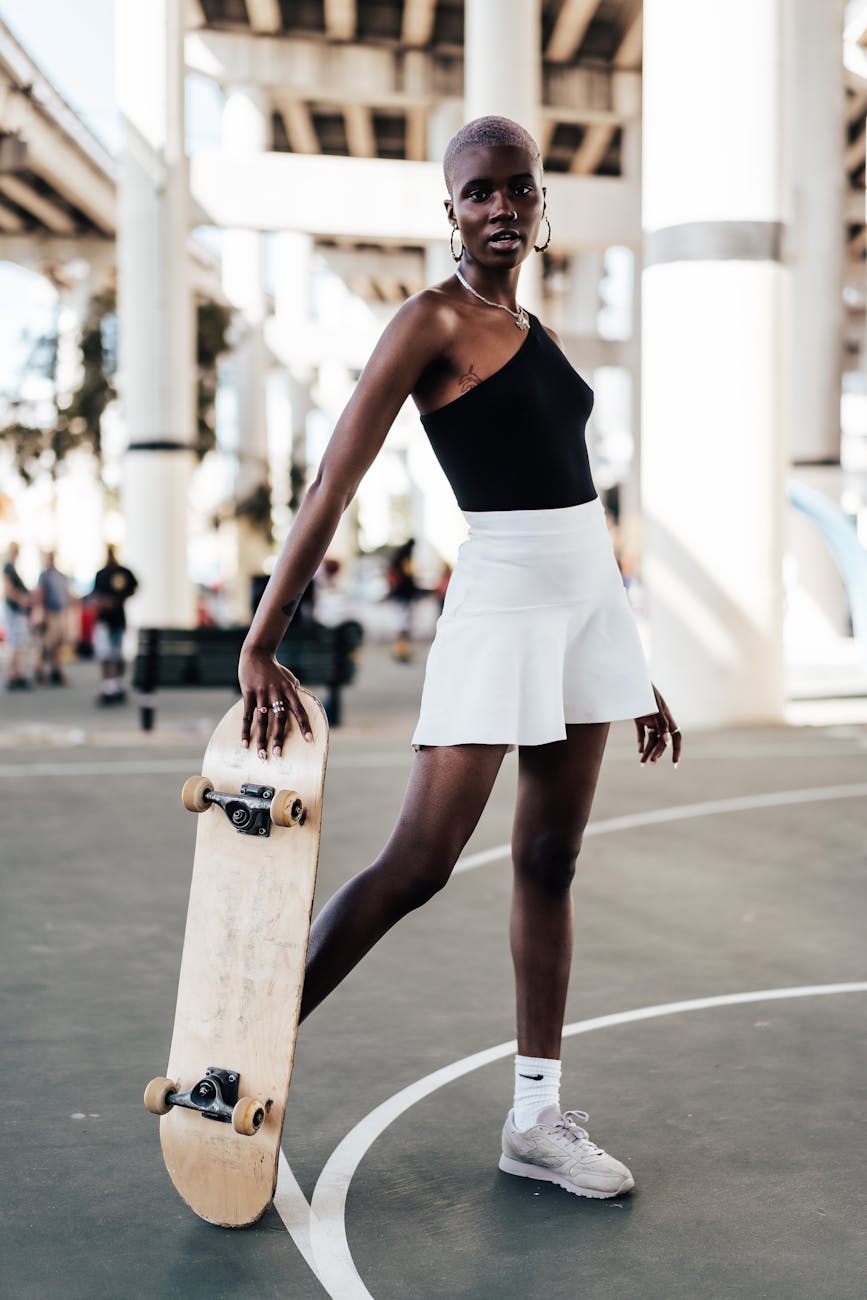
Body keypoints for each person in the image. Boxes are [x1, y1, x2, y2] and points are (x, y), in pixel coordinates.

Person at [238, 117, 681, 1201]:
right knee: (419, 862)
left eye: (518, 190)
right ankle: (239, 1047)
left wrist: (631, 658)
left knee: (550, 863)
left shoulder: (527, 321)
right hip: (500, 604)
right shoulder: (432, 319)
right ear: (450, 209)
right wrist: (264, 632)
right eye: (479, 192)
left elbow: (576, 500)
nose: (500, 208)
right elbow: (332, 481)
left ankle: (535, 1117)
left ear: (540, 204)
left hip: (585, 609)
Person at [91, 546, 138, 706]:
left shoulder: (123, 572)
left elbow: (134, 587)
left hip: (118, 620)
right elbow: (95, 594)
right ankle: (108, 685)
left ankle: (117, 683)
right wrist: (104, 603)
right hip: (104, 620)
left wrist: (120, 600)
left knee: (117, 653)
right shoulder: (101, 574)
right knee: (106, 654)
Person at [35, 551, 71, 685]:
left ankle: (55, 672)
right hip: (49, 613)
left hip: (60, 613)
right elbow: (40, 594)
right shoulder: (44, 576)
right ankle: (39, 672)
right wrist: (42, 614)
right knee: (46, 645)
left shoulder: (62, 576)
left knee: (58, 644)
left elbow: (66, 595)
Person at [3, 542, 33, 690]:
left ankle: (17, 673)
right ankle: (13, 675)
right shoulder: (9, 568)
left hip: (16, 611)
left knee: (18, 643)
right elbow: (8, 590)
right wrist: (22, 600)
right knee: (15, 643)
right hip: (14, 611)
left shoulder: (12, 568)